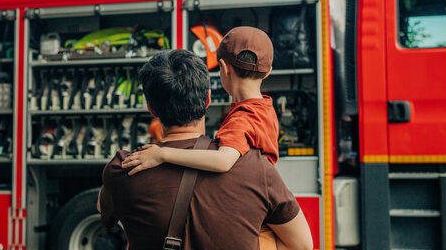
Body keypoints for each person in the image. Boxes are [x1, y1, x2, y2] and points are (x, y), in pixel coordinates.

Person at [98, 49, 313, 250]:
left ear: (151, 108)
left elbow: (104, 211)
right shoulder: (256, 166)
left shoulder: (124, 168)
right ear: (208, 99)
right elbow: (303, 245)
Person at [121, 26, 282, 246]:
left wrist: (163, 154)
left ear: (224, 68)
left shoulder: (242, 119)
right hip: (264, 203)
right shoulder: (265, 109)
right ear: (268, 71)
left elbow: (223, 161)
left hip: (257, 213)